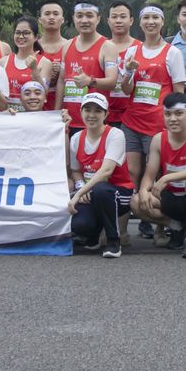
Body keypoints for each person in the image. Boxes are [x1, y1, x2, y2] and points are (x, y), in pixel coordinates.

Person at [117, 3, 186, 201]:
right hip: (132, 122)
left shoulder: (173, 53)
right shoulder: (132, 52)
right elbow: (126, 90)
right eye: (146, 18)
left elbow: (179, 93)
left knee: (155, 172)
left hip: (158, 124)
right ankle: (131, 210)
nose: (151, 22)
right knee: (131, 171)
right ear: (140, 23)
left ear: (162, 22)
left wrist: (176, 122)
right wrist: (129, 71)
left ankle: (153, 214)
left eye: (155, 18)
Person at [130, 93, 186, 258]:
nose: (173, 119)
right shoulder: (158, 139)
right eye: (168, 114)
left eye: (178, 113)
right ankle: (177, 227)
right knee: (136, 202)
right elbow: (149, 175)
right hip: (171, 197)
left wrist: (167, 177)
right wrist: (144, 191)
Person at [67, 93, 133, 258]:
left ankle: (113, 241)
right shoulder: (76, 138)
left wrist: (80, 193)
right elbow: (76, 171)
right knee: (80, 224)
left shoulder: (115, 134)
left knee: (101, 190)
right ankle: (94, 235)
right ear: (81, 112)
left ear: (106, 114)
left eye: (97, 111)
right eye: (87, 110)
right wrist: (81, 186)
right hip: (90, 192)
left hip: (119, 192)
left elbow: (106, 172)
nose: (92, 115)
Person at [56, 1, 120, 130]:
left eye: (89, 16)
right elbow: (61, 81)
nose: (84, 20)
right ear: (74, 18)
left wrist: (89, 81)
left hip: (94, 124)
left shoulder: (108, 46)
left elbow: (112, 82)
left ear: (98, 19)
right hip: (68, 121)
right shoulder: (67, 45)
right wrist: (56, 112)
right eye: (79, 16)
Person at [103, 0, 140, 130]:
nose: (118, 20)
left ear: (131, 20)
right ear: (108, 21)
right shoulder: (101, 48)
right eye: (114, 17)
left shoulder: (140, 48)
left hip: (132, 116)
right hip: (104, 114)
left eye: (123, 17)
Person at [4, 16, 52, 112]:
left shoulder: (45, 63)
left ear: (36, 37)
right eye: (18, 33)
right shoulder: (3, 61)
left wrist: (34, 70)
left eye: (26, 33)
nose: (21, 36)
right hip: (9, 117)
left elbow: (44, 92)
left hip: (33, 117)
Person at [36, 2, 71, 111]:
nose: (51, 17)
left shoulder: (70, 46)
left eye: (56, 14)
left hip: (65, 108)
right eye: (47, 14)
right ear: (40, 19)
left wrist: (62, 72)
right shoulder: (32, 47)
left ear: (62, 19)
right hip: (36, 107)